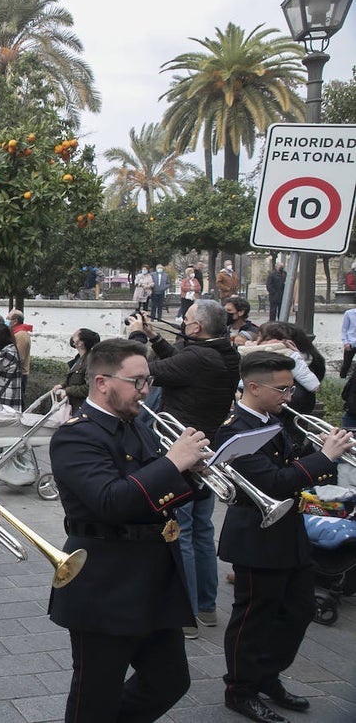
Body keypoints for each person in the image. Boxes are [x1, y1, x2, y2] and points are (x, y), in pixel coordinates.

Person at [49, 338, 207, 722]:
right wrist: (172, 464)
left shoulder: (137, 425)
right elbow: (111, 502)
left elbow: (154, 494)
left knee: (170, 681)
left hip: (154, 575)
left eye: (148, 380)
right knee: (95, 695)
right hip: (105, 580)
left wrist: (189, 474)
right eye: (137, 381)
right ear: (102, 382)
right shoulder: (76, 435)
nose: (146, 390)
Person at [216, 351, 345, 723]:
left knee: (298, 610)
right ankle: (240, 689)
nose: (289, 396)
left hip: (290, 530)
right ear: (253, 387)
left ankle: (266, 676)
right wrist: (325, 458)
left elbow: (292, 463)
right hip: (258, 535)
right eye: (283, 389)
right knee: (255, 617)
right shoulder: (234, 430)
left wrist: (318, 449)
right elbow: (274, 482)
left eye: (290, 388)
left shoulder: (276, 418)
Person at [128, 299, 239, 639]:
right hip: (206, 448)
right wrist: (157, 336)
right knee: (203, 531)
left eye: (187, 319)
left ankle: (186, 613)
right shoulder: (226, 353)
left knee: (184, 533)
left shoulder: (199, 357)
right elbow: (180, 362)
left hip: (181, 449)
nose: (182, 321)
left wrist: (137, 337)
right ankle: (206, 607)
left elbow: (143, 374)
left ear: (196, 328)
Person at [59, 328, 101, 414]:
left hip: (83, 409)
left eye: (74, 336)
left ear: (81, 343)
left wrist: (68, 390)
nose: (72, 338)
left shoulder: (90, 361)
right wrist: (62, 385)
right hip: (76, 406)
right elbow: (75, 379)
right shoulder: (79, 358)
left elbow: (90, 388)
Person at [7, 310, 32, 401]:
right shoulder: (16, 333)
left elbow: (19, 356)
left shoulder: (21, 335)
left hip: (19, 373)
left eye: (8, 318)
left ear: (15, 321)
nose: (6, 320)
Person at [340, 306, 356, 378]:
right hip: (350, 343)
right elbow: (344, 329)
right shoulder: (349, 313)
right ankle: (341, 381)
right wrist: (345, 342)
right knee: (346, 364)